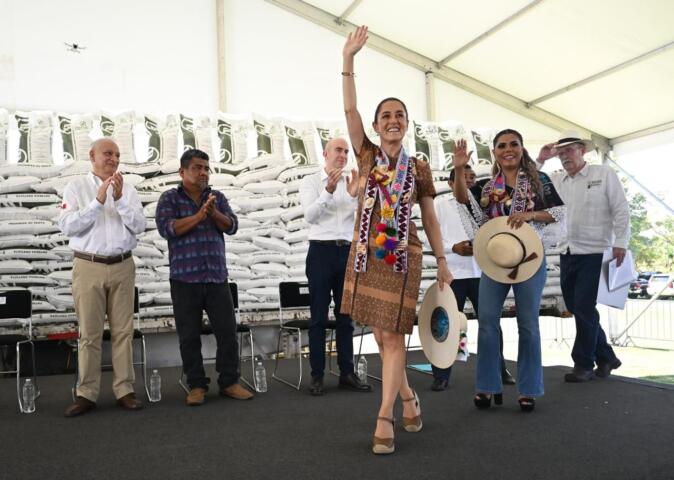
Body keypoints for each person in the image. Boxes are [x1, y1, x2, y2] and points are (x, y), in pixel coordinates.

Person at [341, 26, 453, 455]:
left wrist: (442, 259)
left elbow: (430, 217)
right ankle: (408, 397)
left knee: (391, 337)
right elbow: (349, 111)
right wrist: (348, 60)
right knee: (382, 336)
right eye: (385, 116)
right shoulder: (366, 155)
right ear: (376, 126)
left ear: (407, 125)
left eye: (399, 116)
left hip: (402, 258)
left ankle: (383, 416)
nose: (392, 121)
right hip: (368, 256)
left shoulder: (419, 168)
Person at [453, 129, 565, 412]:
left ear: (522, 148)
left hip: (528, 258)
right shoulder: (487, 187)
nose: (508, 149)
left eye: (514, 144)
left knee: (528, 324)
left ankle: (528, 389)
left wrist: (529, 214)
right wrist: (457, 167)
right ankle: (487, 386)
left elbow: (559, 213)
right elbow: (462, 199)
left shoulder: (539, 181)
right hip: (495, 262)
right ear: (495, 153)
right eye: (501, 145)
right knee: (488, 322)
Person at [156, 149, 253, 406]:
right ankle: (197, 385)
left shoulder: (217, 197)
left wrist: (213, 213)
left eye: (206, 168)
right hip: (184, 280)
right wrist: (199, 216)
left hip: (216, 277)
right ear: (182, 171)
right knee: (189, 335)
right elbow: (168, 229)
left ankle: (229, 382)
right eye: (197, 167)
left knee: (227, 332)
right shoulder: (169, 198)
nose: (203, 172)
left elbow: (231, 226)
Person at [59, 138, 146, 417]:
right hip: (89, 267)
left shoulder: (128, 190)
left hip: (122, 266)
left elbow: (140, 226)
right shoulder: (76, 188)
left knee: (123, 332)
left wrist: (118, 200)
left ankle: (124, 390)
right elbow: (68, 227)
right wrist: (98, 202)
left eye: (118, 155)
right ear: (92, 155)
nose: (114, 158)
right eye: (108, 153)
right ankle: (86, 394)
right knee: (89, 334)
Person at [537, 130, 629, 382]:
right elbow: (528, 183)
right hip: (568, 251)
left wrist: (621, 242)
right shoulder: (555, 179)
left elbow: (621, 208)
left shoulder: (603, 174)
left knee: (585, 307)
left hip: (596, 251)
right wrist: (541, 159)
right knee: (577, 307)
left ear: (582, 150)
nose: (565, 156)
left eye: (569, 150)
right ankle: (607, 356)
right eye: (561, 152)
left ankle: (583, 364)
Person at [430, 165, 515, 391]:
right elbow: (432, 235)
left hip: (482, 272)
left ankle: (500, 367)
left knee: (490, 323)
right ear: (450, 183)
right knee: (445, 323)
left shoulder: (486, 202)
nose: (468, 181)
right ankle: (441, 373)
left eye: (472, 177)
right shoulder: (439, 204)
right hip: (453, 273)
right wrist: (452, 248)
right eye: (462, 177)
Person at [299, 137, 372, 396]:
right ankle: (317, 376)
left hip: (347, 252)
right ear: (325, 154)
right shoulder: (310, 181)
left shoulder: (352, 181)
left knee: (346, 318)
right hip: (320, 251)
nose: (342, 155)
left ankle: (346, 373)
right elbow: (310, 216)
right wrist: (328, 191)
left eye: (345, 151)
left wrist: (355, 197)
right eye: (337, 150)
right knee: (318, 317)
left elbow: (364, 220)